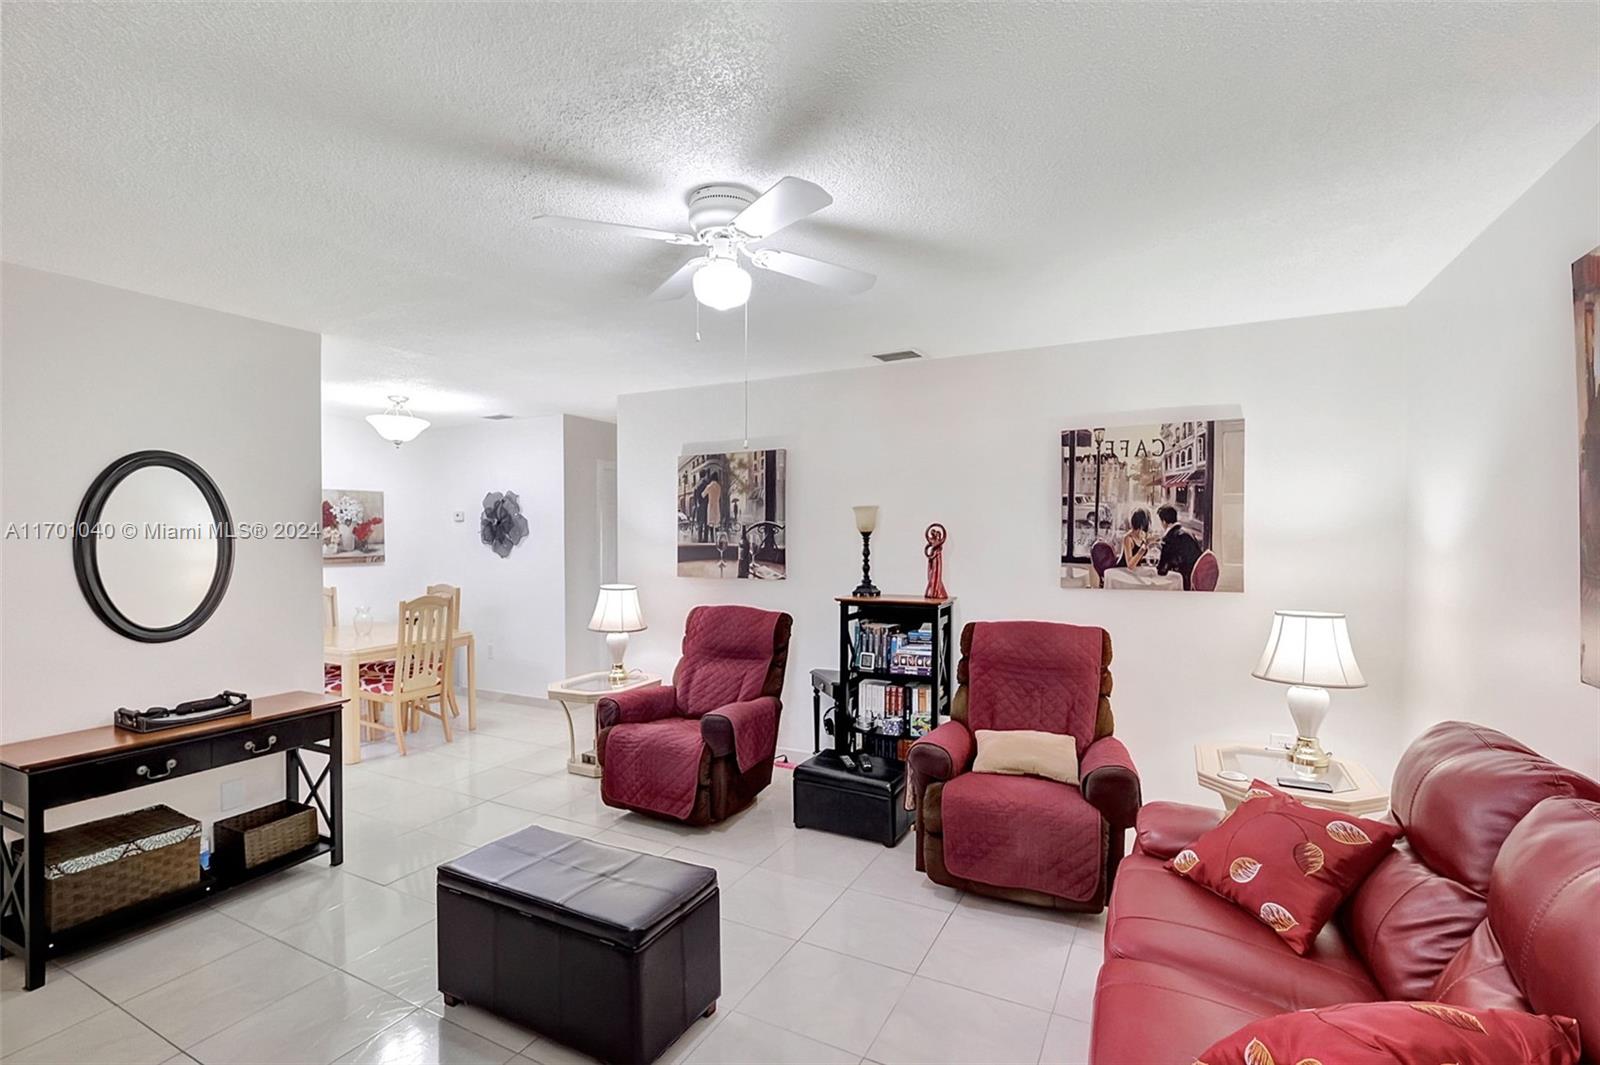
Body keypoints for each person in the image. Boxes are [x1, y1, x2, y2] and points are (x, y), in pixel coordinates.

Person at [1155, 504, 1202, 589]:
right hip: (1198, 577)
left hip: (1185, 581)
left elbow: (1161, 571)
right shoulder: (1187, 532)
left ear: (1164, 522)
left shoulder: (1169, 538)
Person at [700, 470, 724, 540]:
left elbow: (703, 495)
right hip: (717, 506)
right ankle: (717, 539)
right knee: (716, 524)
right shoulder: (719, 486)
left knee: (711, 523)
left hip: (710, 506)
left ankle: (712, 539)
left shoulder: (709, 486)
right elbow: (719, 497)